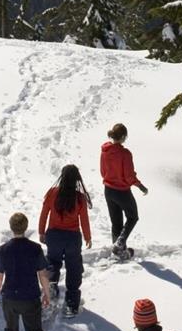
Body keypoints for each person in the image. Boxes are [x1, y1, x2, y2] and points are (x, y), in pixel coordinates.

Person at [38, 164, 92, 317]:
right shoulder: (80, 198)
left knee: (53, 262)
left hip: (54, 236)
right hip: (72, 238)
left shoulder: (52, 193)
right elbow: (84, 221)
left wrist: (41, 232)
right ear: (76, 180)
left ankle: (51, 287)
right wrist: (88, 237)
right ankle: (71, 303)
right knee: (74, 267)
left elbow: (44, 214)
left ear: (62, 177)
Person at [101, 123, 148, 256]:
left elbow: (103, 171)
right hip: (121, 191)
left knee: (116, 222)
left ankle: (118, 251)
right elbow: (128, 175)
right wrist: (139, 185)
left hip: (108, 190)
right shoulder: (125, 154)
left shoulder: (105, 151)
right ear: (122, 136)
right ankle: (120, 243)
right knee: (133, 217)